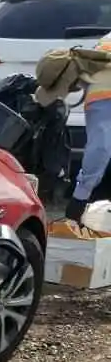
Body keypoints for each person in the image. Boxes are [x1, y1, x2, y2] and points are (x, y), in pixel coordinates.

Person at [64, 31, 111, 224]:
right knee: (101, 147)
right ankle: (79, 202)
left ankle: (80, 201)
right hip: (104, 95)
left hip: (99, 96)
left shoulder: (106, 39)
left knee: (100, 147)